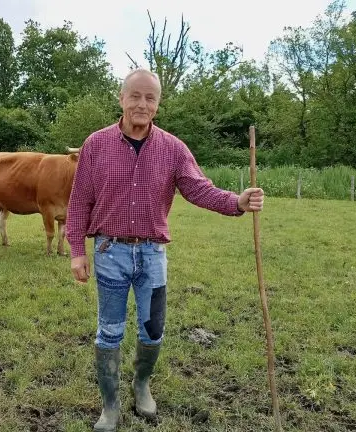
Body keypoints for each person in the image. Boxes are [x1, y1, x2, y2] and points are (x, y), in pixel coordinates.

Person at [65, 68, 264, 431]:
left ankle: (142, 386)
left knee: (152, 330)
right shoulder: (95, 145)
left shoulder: (173, 148)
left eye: (150, 98)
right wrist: (77, 250)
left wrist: (236, 201)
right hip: (110, 252)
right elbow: (79, 202)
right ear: (121, 98)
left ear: (158, 104)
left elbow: (199, 189)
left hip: (153, 255)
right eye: (135, 96)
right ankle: (110, 407)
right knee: (109, 330)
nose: (142, 103)